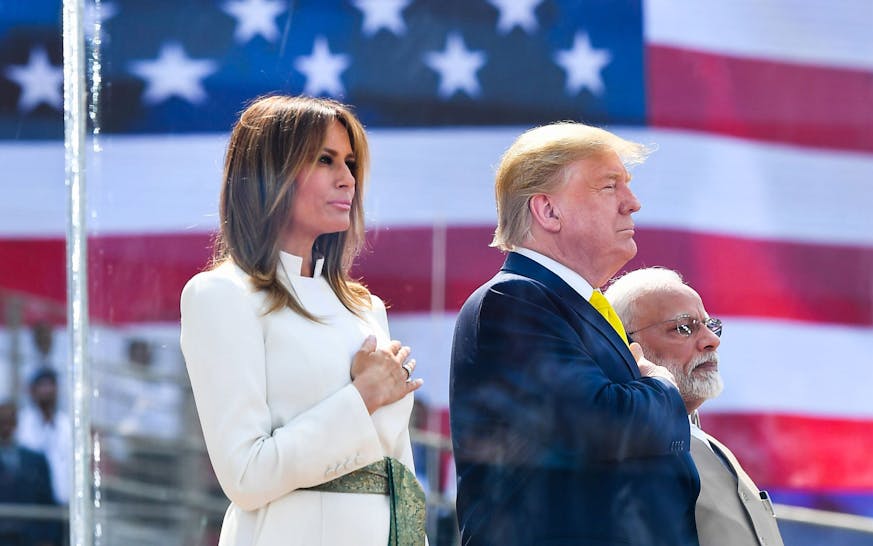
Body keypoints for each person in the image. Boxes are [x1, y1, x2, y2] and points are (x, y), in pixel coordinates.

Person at [179, 95, 425, 546]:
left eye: (350, 163)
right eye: (325, 160)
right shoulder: (221, 295)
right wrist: (361, 398)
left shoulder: (365, 307)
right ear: (268, 175)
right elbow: (246, 476)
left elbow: (398, 471)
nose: (347, 179)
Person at [449, 122, 700, 545]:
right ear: (547, 211)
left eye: (628, 186)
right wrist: (663, 386)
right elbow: (603, 426)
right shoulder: (513, 300)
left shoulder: (563, 306)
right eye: (609, 186)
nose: (633, 203)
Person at [606, 267, 785, 546]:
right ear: (628, 347)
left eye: (709, 325)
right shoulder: (628, 447)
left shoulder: (701, 440)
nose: (712, 341)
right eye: (683, 328)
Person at [0, 401, 58, 546]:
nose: (6, 426)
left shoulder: (36, 460)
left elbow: (47, 502)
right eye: (2, 421)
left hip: (30, 537)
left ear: (16, 423)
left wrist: (47, 538)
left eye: (9, 420)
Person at [16, 368, 71, 507]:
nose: (47, 391)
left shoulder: (67, 425)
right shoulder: (21, 423)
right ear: (32, 391)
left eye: (50, 385)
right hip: (31, 502)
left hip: (63, 499)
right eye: (42, 386)